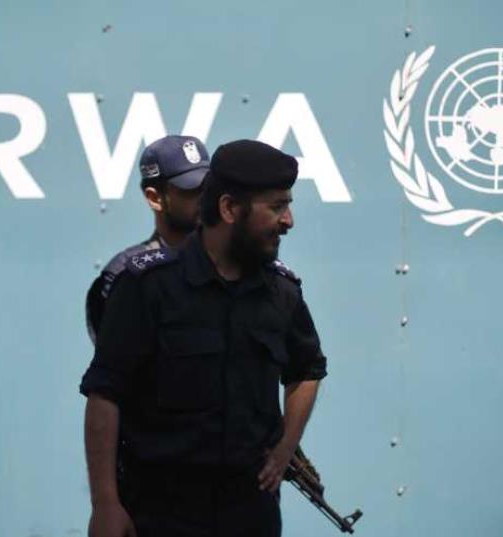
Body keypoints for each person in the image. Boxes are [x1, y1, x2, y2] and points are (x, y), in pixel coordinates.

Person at [80, 140, 328, 537]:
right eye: (277, 206)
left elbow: (307, 370)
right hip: (161, 514)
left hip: (250, 515)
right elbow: (105, 396)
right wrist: (105, 503)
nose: (289, 220)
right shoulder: (147, 287)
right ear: (229, 209)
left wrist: (284, 447)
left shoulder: (282, 292)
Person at [85, 135, 209, 342]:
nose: (205, 199)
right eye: (192, 190)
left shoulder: (236, 262)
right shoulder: (126, 274)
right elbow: (116, 365)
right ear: (155, 198)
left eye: (209, 188)